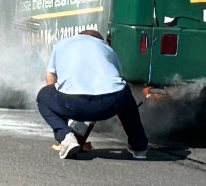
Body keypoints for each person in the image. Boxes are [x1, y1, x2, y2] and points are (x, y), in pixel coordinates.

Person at [36, 29, 149, 160]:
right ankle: (139, 147)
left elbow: (50, 78)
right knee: (125, 92)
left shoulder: (61, 44)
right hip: (110, 103)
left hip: (73, 102)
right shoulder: (107, 48)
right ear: (100, 40)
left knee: (43, 96)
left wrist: (63, 111)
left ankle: (65, 136)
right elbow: (118, 78)